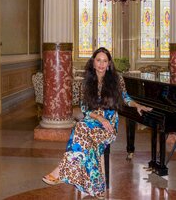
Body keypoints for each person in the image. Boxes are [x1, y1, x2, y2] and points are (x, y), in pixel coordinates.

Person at [42, 47, 152, 199]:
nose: (101, 64)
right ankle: (97, 188)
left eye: (105, 61)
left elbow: (126, 98)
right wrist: (99, 118)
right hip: (93, 120)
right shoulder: (86, 82)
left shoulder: (117, 80)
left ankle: (63, 171)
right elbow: (85, 108)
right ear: (93, 63)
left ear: (109, 64)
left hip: (109, 124)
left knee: (80, 129)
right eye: (98, 60)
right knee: (84, 132)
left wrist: (137, 105)